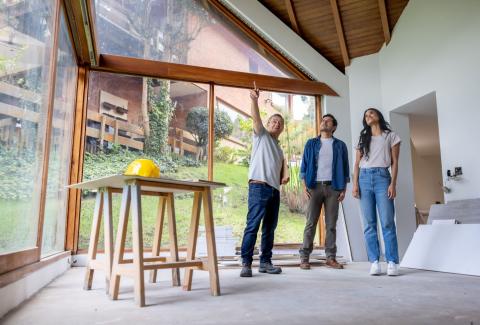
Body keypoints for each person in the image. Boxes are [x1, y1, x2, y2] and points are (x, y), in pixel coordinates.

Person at [240, 82, 289, 278]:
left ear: (282, 129)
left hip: (274, 191)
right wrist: (254, 99)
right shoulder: (261, 136)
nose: (276, 124)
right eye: (273, 121)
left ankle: (265, 262)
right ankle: (246, 263)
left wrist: (285, 174)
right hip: (258, 187)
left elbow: (282, 164)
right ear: (268, 125)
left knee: (270, 228)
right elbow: (256, 119)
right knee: (253, 225)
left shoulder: (278, 148)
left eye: (280, 123)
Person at [352, 108, 401, 276]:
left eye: (371, 113)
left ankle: (392, 262)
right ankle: (374, 261)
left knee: (387, 222)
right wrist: (355, 184)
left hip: (382, 178)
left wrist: (393, 184)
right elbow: (357, 164)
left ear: (379, 116)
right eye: (366, 115)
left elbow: (395, 162)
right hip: (364, 179)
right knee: (369, 224)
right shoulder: (362, 138)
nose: (368, 116)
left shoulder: (390, 136)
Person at [299, 114, 349, 270]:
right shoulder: (311, 143)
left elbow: (345, 168)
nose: (324, 122)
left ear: (333, 127)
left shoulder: (340, 145)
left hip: (334, 188)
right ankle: (304, 257)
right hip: (314, 186)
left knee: (331, 225)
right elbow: (304, 165)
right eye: (322, 120)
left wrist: (343, 189)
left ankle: (330, 258)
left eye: (328, 121)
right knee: (310, 223)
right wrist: (304, 186)